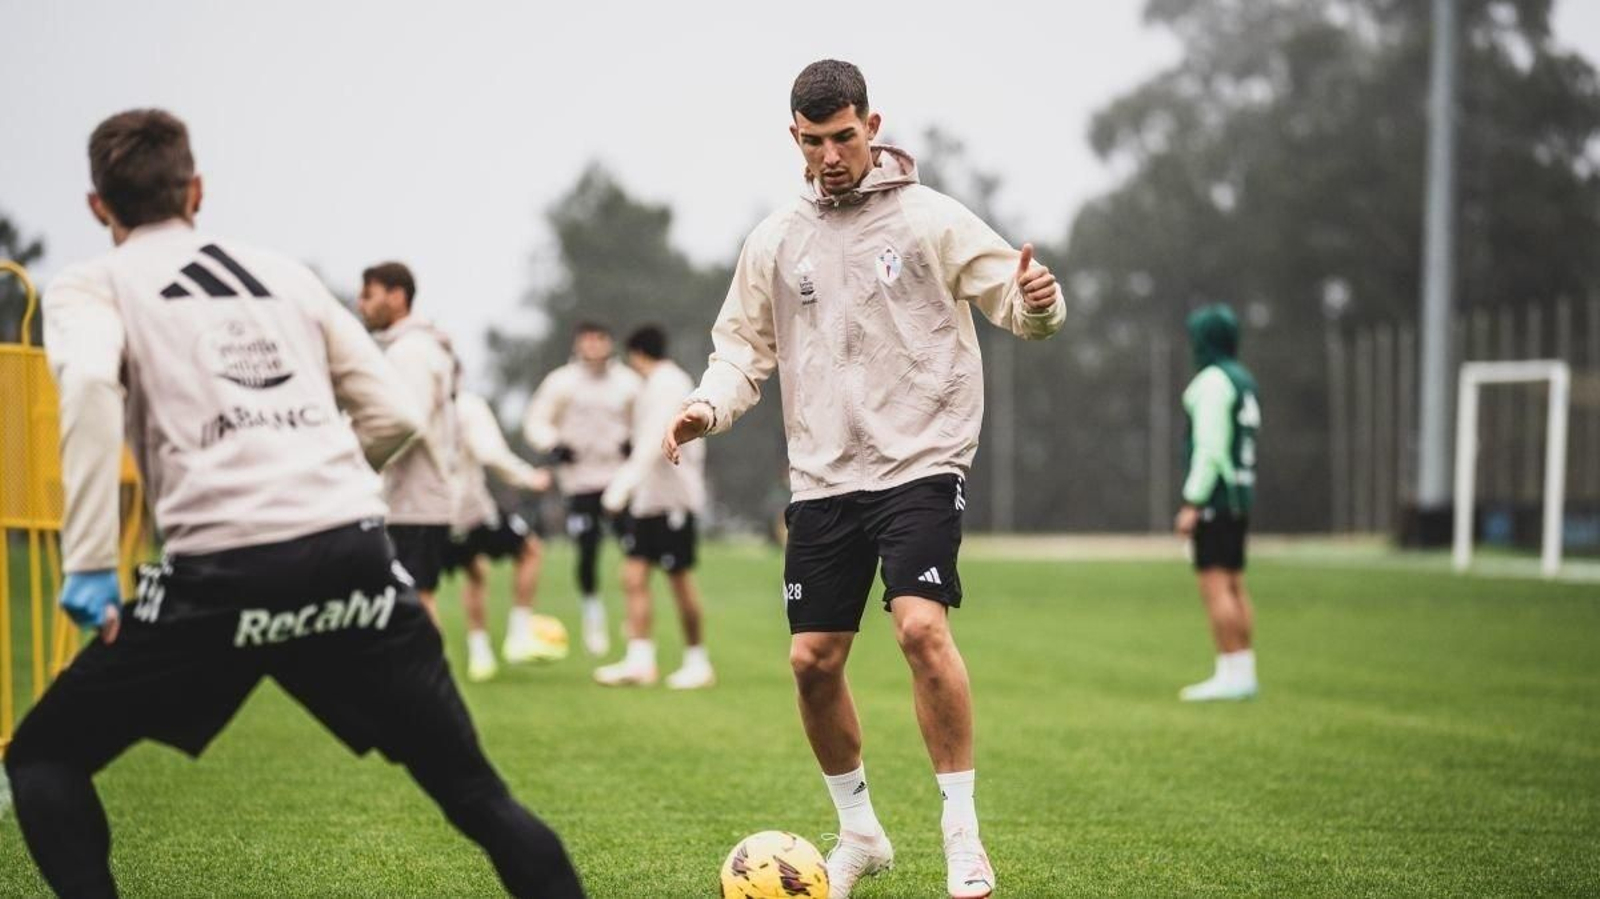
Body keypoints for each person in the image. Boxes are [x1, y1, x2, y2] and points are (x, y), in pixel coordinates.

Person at [6, 108, 584, 898]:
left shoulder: (90, 284)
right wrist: (320, 478)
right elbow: (396, 416)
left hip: (222, 572)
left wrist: (90, 562)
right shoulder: (284, 274)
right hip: (352, 555)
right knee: (477, 795)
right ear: (196, 190)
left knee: (43, 754)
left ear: (97, 205)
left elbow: (87, 388)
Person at [661, 60, 1065, 899]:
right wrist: (706, 406)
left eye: (844, 137)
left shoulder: (929, 219)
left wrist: (1038, 299)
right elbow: (740, 351)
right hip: (822, 478)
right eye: (814, 142)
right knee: (812, 660)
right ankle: (860, 834)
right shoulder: (776, 240)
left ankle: (962, 836)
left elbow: (1019, 306)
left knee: (920, 628)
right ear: (795, 137)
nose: (831, 155)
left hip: (921, 461)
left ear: (872, 127)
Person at [595, 325, 713, 690]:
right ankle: (640, 660)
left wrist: (618, 490)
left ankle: (697, 661)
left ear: (637, 353)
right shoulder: (650, 386)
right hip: (649, 500)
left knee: (679, 580)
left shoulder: (669, 384)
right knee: (633, 576)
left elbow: (652, 442)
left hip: (674, 498)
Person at [520, 322, 641, 657]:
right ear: (577, 344)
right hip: (580, 480)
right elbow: (536, 420)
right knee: (587, 551)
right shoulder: (561, 382)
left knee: (634, 550)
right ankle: (593, 615)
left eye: (599, 340)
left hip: (619, 479)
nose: (593, 346)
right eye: (586, 340)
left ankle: (633, 618)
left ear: (609, 343)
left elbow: (644, 419)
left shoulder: (627, 382)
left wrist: (634, 441)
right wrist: (553, 444)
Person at [356, 261, 459, 622]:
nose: (360, 304)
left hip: (417, 500)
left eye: (368, 295)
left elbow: (407, 422)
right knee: (406, 602)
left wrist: (356, 461)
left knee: (415, 603)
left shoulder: (410, 351)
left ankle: (432, 664)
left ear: (397, 296)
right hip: (414, 499)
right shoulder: (414, 347)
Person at [1173, 303, 1261, 702]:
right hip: (1240, 493)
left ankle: (1230, 671)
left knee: (1215, 585)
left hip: (1216, 495)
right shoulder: (1243, 379)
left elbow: (1209, 448)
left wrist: (1193, 501)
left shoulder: (1211, 382)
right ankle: (1243, 671)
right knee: (1235, 584)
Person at [444, 389, 561, 682]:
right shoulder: (467, 404)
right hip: (470, 510)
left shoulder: (412, 398)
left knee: (473, 572)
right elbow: (491, 453)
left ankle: (479, 654)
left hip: (425, 514)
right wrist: (529, 477)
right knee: (530, 550)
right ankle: (519, 635)